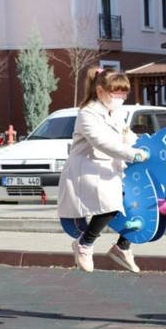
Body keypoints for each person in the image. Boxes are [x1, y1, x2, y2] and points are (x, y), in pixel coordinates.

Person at [57, 67, 149, 273]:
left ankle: (123, 246)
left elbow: (127, 134)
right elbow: (101, 142)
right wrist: (130, 153)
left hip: (109, 167)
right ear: (100, 91)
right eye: (116, 93)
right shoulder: (87, 113)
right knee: (110, 204)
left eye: (124, 93)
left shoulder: (115, 113)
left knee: (137, 202)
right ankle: (85, 244)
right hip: (88, 169)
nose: (121, 97)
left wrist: (141, 146)